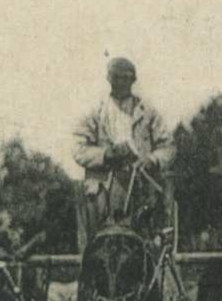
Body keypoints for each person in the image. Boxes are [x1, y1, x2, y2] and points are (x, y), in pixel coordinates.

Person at [73, 57, 176, 236]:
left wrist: (151, 159)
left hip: (140, 184)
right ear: (109, 79)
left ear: (133, 80)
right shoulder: (97, 112)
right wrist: (106, 155)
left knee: (151, 233)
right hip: (103, 187)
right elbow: (78, 148)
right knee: (97, 237)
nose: (120, 83)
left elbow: (168, 146)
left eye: (125, 78)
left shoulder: (147, 112)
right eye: (116, 78)